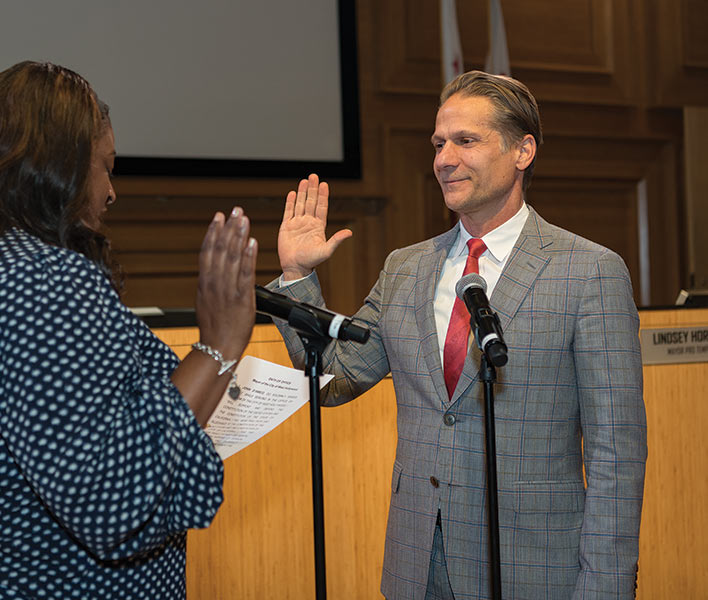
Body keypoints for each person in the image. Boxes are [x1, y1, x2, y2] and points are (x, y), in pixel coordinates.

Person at [0, 61, 257, 599]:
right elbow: (113, 498)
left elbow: (144, 386)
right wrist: (219, 344)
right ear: (59, 169)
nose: (111, 193)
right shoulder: (43, 280)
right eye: (105, 168)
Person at [270, 71, 647, 599]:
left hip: (535, 571)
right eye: (439, 143)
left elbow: (616, 453)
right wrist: (295, 278)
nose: (444, 158)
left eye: (465, 141)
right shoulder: (404, 268)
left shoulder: (588, 272)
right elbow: (333, 379)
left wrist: (605, 587)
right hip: (417, 568)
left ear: (523, 150)